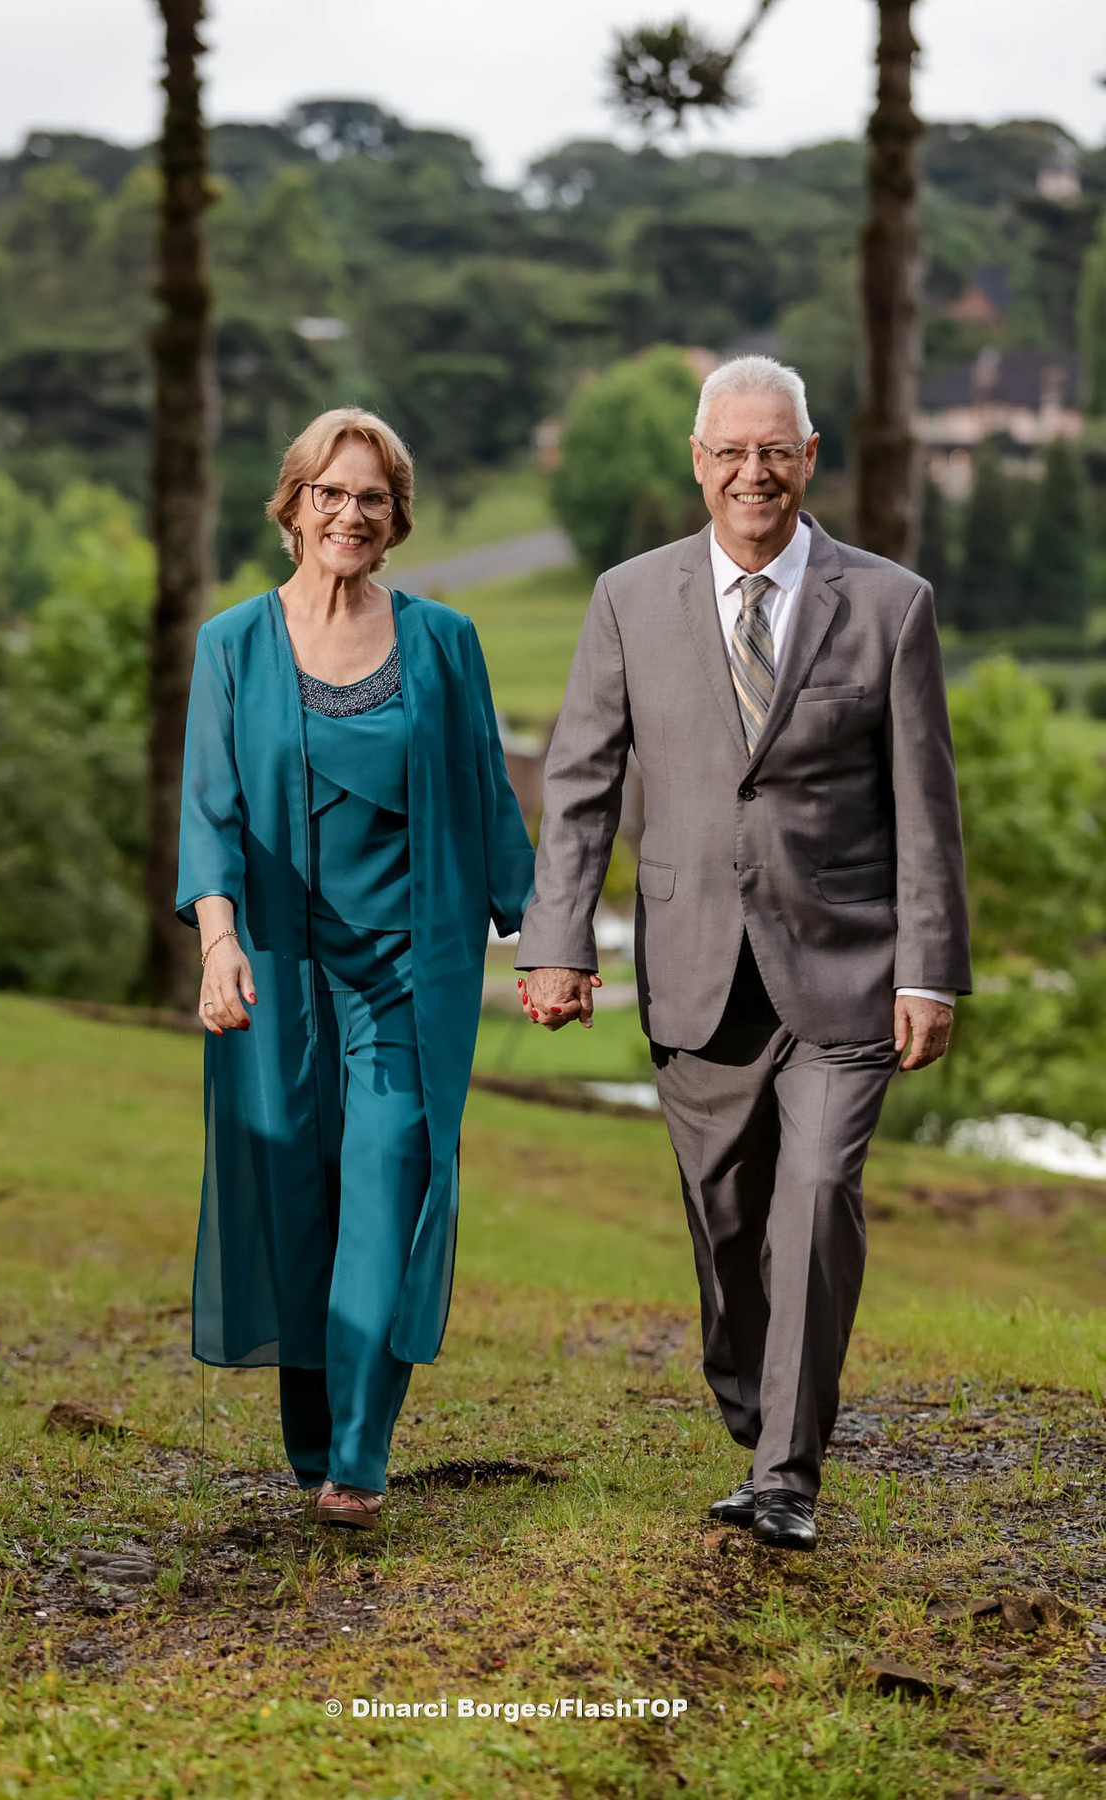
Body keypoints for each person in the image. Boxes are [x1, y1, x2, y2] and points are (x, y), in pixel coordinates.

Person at [517, 356, 970, 1551]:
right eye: (731, 452)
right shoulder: (627, 598)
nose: (753, 474)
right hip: (696, 972)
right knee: (726, 1228)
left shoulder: (890, 605)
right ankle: (756, 1403)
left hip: (849, 967)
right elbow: (577, 786)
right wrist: (555, 942)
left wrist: (929, 969)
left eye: (776, 451)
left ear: (810, 459)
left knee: (818, 1195)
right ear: (698, 461)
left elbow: (927, 805)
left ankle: (787, 1476)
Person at [177, 407, 534, 1529]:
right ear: (293, 506)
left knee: (388, 1182)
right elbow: (210, 809)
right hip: (278, 971)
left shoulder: (444, 642)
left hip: (403, 972)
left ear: (396, 519)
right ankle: (311, 1436)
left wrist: (548, 941)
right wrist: (219, 940)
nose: (348, 513)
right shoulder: (233, 645)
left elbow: (487, 794)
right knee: (295, 1195)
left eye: (370, 498)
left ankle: (359, 1455)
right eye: (329, 493)